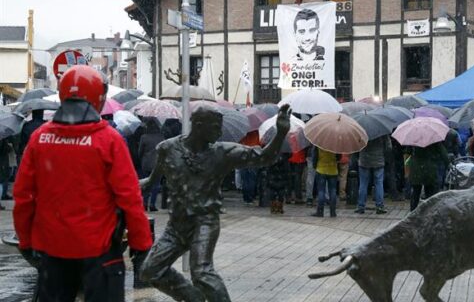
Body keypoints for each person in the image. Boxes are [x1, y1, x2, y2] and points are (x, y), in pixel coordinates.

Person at [13, 65, 152, 301]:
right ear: (99, 97)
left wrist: (25, 240)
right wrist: (141, 242)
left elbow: (23, 195)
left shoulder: (40, 138)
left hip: (53, 250)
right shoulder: (108, 139)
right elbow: (129, 197)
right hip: (100, 252)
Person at [139, 104, 290, 301]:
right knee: (150, 270)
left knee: (202, 273)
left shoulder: (222, 153)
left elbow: (264, 157)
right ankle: (194, 298)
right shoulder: (167, 149)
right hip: (176, 226)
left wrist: (280, 133)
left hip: (205, 222)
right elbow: (151, 181)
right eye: (215, 127)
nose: (219, 132)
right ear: (199, 125)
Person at [408, 142, 450, 211]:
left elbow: (408, 152)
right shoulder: (433, 139)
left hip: (416, 168)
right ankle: (429, 211)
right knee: (430, 192)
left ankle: (412, 212)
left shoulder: (414, 138)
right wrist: (448, 164)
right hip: (429, 168)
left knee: (415, 192)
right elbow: (443, 153)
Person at [355, 136, 391, 215]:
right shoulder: (382, 131)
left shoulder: (361, 131)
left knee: (363, 184)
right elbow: (389, 147)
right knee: (379, 183)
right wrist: (382, 153)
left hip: (364, 160)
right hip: (378, 161)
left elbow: (356, 145)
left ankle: (361, 206)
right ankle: (379, 206)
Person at [139, 117, 165, 211]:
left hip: (146, 163)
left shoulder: (144, 137)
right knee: (156, 185)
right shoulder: (161, 137)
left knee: (146, 183)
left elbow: (140, 151)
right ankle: (153, 204)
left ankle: (145, 203)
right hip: (158, 163)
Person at [312, 147, 339, 217]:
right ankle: (333, 212)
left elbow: (315, 156)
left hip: (321, 169)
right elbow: (339, 157)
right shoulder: (335, 144)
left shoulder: (319, 143)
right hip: (333, 170)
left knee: (321, 191)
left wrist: (315, 166)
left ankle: (320, 212)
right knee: (333, 191)